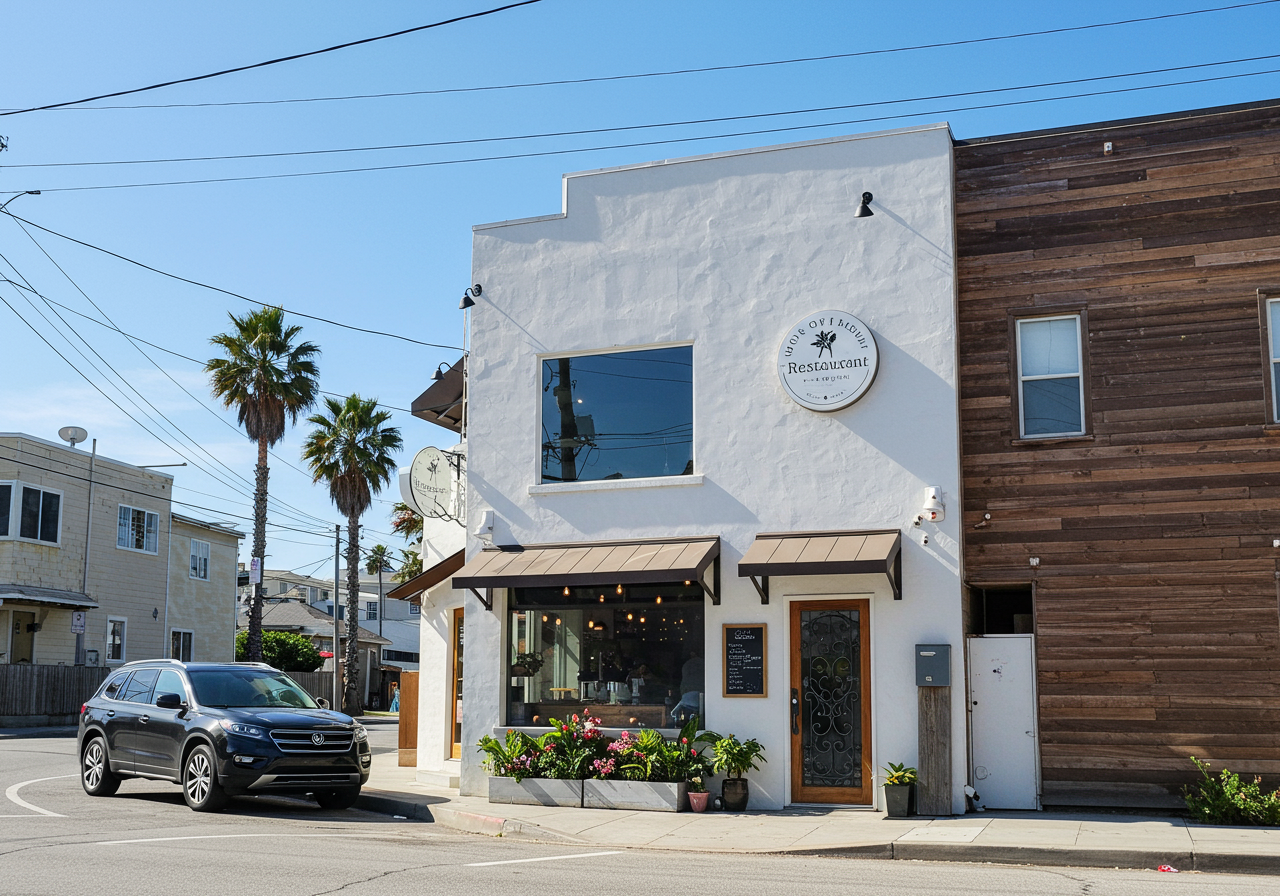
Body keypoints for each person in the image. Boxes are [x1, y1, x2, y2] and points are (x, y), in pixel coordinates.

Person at [670, 648, 704, 724]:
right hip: (703, 698)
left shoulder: (687, 664)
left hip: (687, 698)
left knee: (681, 717)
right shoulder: (705, 663)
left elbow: (685, 680)